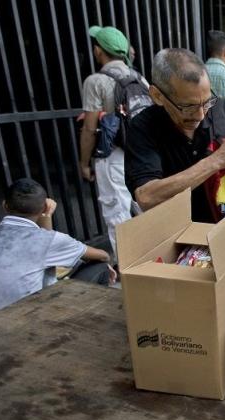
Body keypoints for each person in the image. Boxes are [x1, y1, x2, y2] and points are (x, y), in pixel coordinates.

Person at [124, 48, 225, 308]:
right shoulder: (143, 128)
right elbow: (147, 195)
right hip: (182, 248)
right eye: (188, 106)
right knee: (196, 316)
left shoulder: (220, 108)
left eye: (206, 102)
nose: (200, 115)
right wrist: (215, 161)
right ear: (157, 95)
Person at [0, 179, 116, 320]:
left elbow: (46, 250)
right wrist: (47, 216)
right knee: (100, 267)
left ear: (4, 205)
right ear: (45, 207)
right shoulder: (49, 239)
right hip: (26, 319)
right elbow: (103, 255)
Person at [79, 26, 147, 260]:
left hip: (114, 154)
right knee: (144, 206)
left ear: (98, 51)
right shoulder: (138, 78)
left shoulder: (95, 81)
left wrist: (84, 163)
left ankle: (127, 268)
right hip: (140, 153)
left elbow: (90, 128)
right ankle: (153, 257)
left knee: (117, 213)